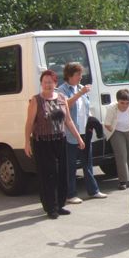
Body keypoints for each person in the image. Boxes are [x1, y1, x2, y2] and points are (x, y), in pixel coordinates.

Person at [24, 70, 85, 219]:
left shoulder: (62, 98)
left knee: (62, 173)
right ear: (41, 84)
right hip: (42, 142)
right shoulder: (36, 100)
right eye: (45, 82)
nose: (47, 85)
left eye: (50, 82)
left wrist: (79, 138)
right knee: (48, 175)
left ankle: (60, 205)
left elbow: (68, 120)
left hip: (60, 140)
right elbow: (29, 123)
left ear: (55, 83)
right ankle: (50, 207)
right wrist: (26, 142)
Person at [57, 62, 107, 204]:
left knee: (87, 162)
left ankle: (93, 190)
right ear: (69, 75)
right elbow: (66, 105)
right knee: (71, 165)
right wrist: (80, 94)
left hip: (84, 130)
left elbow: (85, 108)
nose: (81, 77)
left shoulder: (81, 87)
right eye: (78, 74)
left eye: (81, 74)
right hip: (70, 133)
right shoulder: (61, 90)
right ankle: (70, 194)